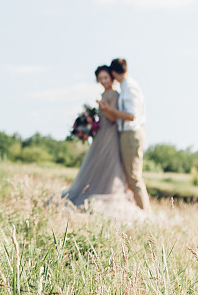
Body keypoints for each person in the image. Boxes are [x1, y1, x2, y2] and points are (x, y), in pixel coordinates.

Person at [61, 65, 138, 214]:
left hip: (110, 135)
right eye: (100, 78)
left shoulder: (114, 95)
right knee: (95, 164)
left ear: (111, 78)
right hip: (100, 134)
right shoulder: (104, 94)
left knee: (109, 164)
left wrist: (105, 109)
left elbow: (112, 118)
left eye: (106, 78)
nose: (103, 81)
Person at [99, 58, 151, 210]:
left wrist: (109, 110)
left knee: (134, 176)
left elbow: (131, 115)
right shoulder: (125, 86)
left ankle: (146, 212)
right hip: (128, 134)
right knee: (129, 176)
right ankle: (138, 209)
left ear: (114, 73)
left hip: (131, 134)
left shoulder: (129, 87)